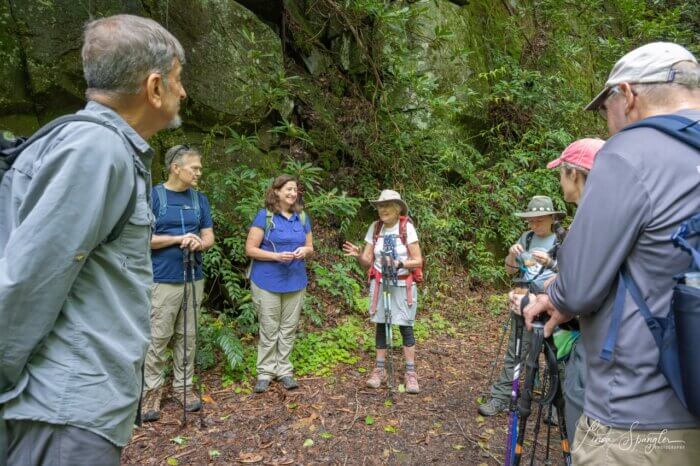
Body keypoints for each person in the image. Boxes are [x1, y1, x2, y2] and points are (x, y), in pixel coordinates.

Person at [0, 14, 186, 465]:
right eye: (179, 80)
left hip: (69, 405)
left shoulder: (99, 147)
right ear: (154, 86)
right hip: (61, 410)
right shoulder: (96, 150)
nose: (184, 93)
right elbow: (29, 279)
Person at [524, 42, 700, 465]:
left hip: (639, 412)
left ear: (628, 94)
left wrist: (556, 298)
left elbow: (579, 287)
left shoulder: (629, 153)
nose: (607, 120)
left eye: (605, 107)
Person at [141, 145, 215, 422]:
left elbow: (209, 237)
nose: (198, 172)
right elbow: (142, 239)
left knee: (188, 335)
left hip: (194, 277)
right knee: (158, 337)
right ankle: (151, 392)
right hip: (162, 278)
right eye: (194, 168)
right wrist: (177, 239)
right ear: (176, 168)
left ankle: (183, 388)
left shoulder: (199, 200)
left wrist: (198, 241)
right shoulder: (154, 197)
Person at [478, 195, 562, 416]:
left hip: (554, 305)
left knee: (556, 355)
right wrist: (512, 255)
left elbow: (573, 274)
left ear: (552, 218)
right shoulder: (526, 238)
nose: (534, 225)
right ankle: (501, 397)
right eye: (531, 220)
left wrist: (551, 262)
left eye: (539, 220)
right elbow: (510, 271)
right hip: (524, 302)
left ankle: (555, 405)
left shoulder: (561, 241)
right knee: (515, 352)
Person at [343, 190, 424, 394]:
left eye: (387, 205)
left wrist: (400, 263)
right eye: (380, 206)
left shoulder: (407, 228)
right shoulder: (375, 227)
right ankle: (379, 370)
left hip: (402, 283)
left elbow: (418, 261)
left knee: (405, 325)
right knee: (381, 324)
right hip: (380, 282)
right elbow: (367, 262)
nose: (383, 209)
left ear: (397, 209)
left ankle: (410, 373)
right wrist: (358, 254)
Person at [245, 175, 313, 393]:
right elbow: (250, 249)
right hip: (267, 280)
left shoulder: (301, 217)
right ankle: (265, 372)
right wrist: (275, 257)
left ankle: (284, 370)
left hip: (295, 280)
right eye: (288, 189)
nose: (292, 193)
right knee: (269, 328)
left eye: (294, 190)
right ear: (276, 192)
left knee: (288, 328)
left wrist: (305, 250)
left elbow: (310, 247)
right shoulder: (264, 216)